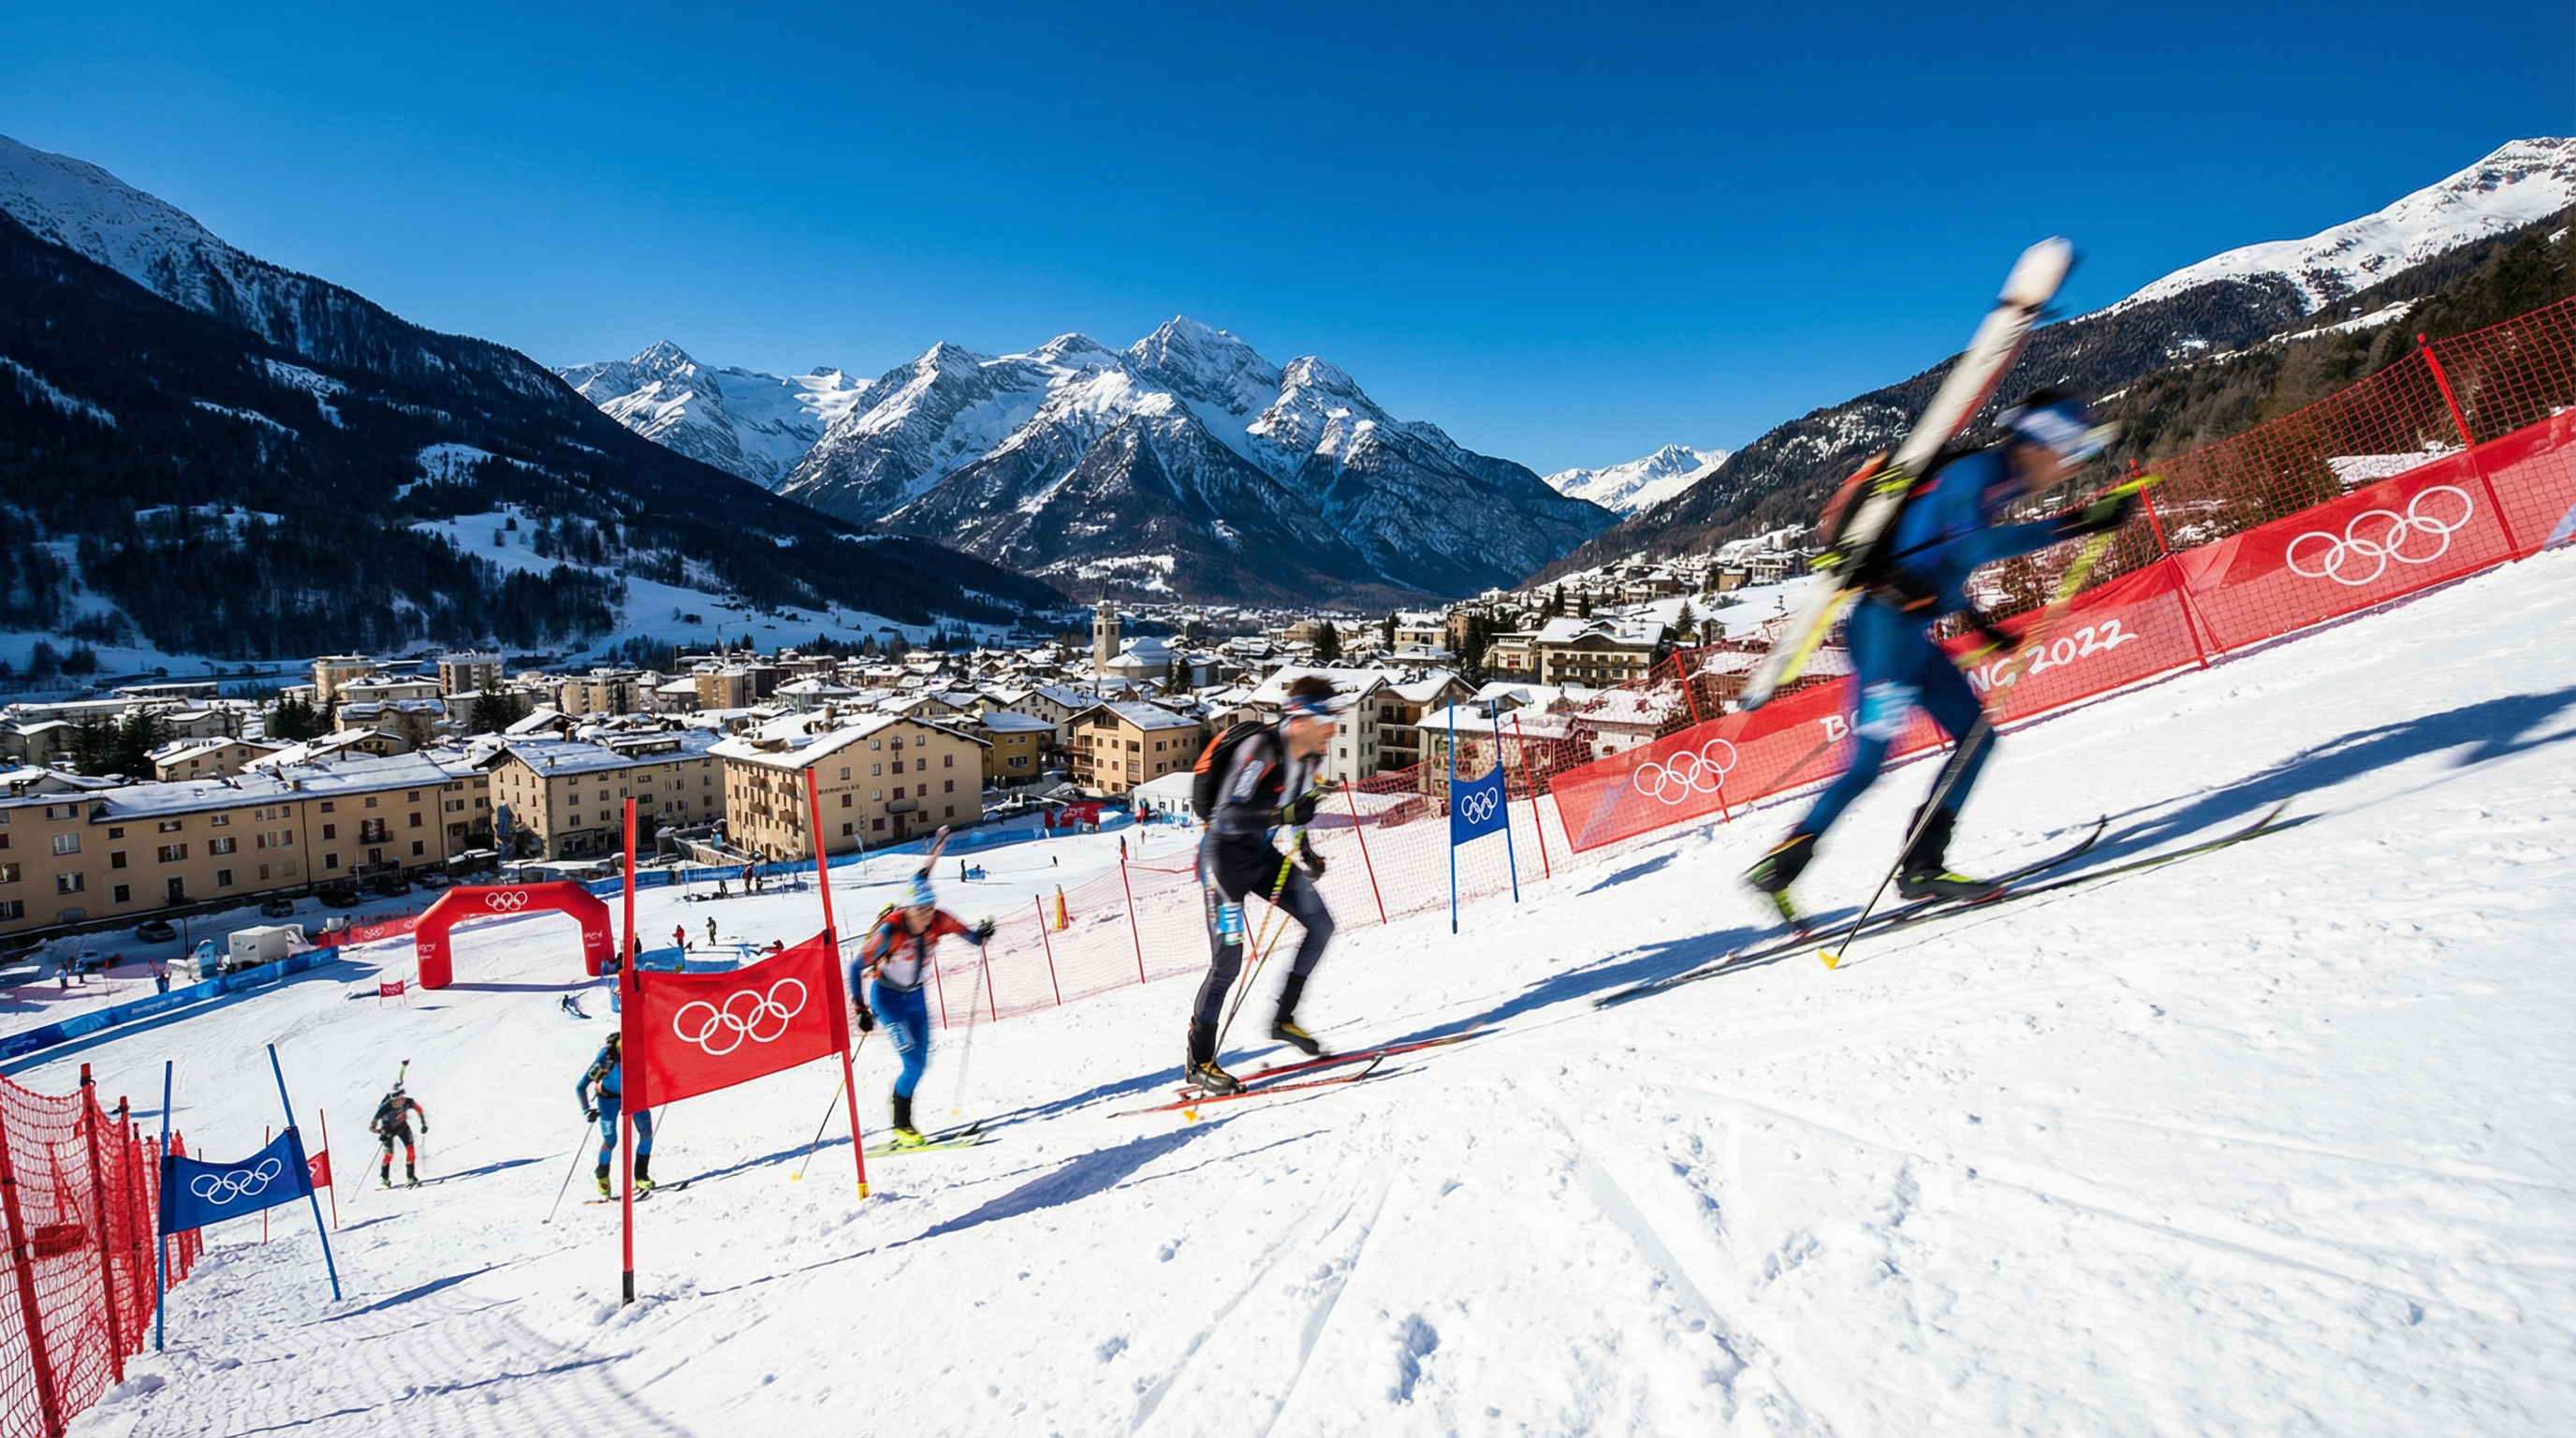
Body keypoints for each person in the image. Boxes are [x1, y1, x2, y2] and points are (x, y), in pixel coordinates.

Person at [1745, 389, 2136, 908]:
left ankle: (1923, 866)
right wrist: (2076, 522)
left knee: (1976, 740)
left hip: (1910, 637)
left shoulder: (1996, 480)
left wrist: (1978, 622)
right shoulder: (1978, 473)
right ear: (2041, 443)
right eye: (2074, 453)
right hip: (1884, 638)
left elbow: (1939, 558)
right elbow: (1970, 547)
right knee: (1867, 765)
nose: (2071, 468)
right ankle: (1787, 858)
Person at [1185, 675, 1341, 1094]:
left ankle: (1283, 1019)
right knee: (1228, 962)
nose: (1333, 729)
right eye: (1327, 718)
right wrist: (1286, 818)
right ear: (1301, 717)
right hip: (1223, 861)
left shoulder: (1309, 759)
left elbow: (1295, 809)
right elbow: (1226, 817)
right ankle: (1199, 1061)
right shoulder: (1260, 750)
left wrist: (1304, 848)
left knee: (1321, 924)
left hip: (1261, 857)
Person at [846, 855, 993, 1148]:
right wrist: (861, 1008)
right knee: (913, 1064)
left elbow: (972, 937)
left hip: (916, 998)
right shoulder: (891, 931)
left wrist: (983, 933)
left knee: (922, 1061)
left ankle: (902, 1111)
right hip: (888, 1001)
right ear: (908, 910)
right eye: (920, 910)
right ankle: (902, 1124)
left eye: (929, 908)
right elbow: (854, 967)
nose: (927, 915)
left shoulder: (939, 920)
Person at [577, 1033, 653, 1197]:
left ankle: (641, 1176)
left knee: (646, 1134)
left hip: (634, 1096)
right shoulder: (607, 1058)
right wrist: (586, 1110)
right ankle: (602, 1174)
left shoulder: (642, 1052)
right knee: (610, 1140)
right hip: (608, 1099)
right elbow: (581, 1086)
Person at [368, 1081, 429, 1189]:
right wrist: (381, 1132)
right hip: (388, 1130)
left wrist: (423, 1124)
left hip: (402, 1127)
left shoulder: (408, 1102)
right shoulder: (384, 1108)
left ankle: (411, 1176)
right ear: (393, 1100)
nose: (400, 1102)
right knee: (389, 1155)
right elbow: (371, 1127)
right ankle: (384, 1177)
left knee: (410, 1149)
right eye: (397, 1100)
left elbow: (419, 1110)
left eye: (401, 1099)